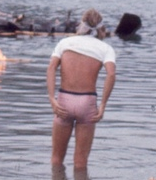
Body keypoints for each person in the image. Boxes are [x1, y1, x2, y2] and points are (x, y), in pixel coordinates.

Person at [47, 9, 117, 169]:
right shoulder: (105, 48)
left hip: (64, 101)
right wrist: (103, 105)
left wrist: (52, 98)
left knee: (56, 159)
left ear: (82, 24)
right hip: (87, 102)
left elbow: (51, 68)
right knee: (81, 162)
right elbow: (111, 74)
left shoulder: (65, 43)